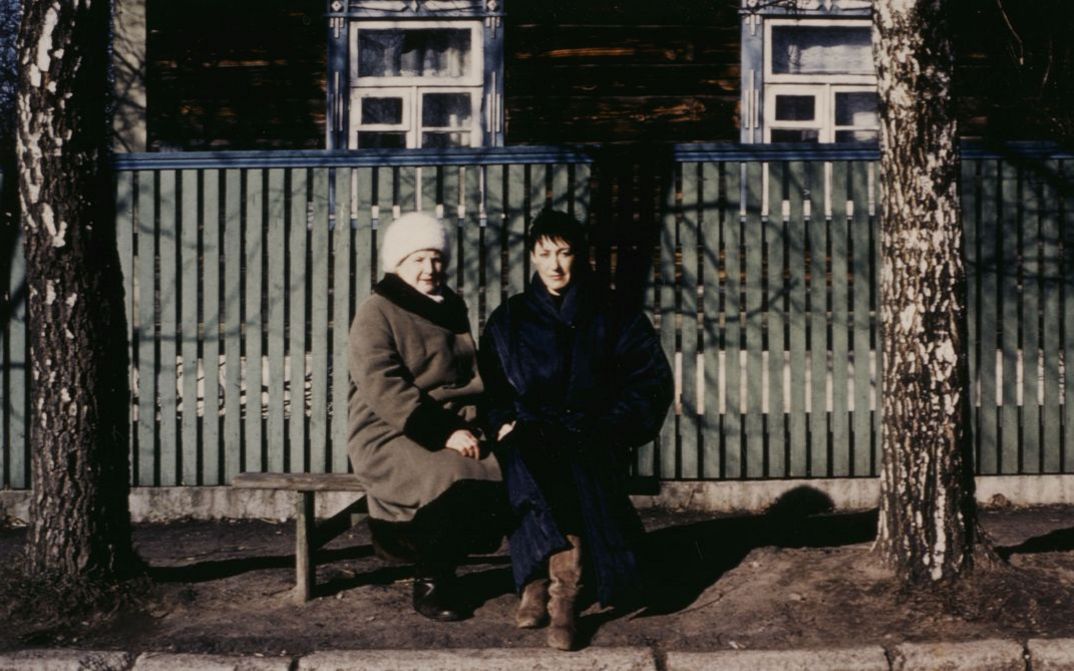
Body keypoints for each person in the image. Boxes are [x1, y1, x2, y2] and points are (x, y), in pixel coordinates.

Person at [479, 209, 673, 650]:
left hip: (592, 432)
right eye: (545, 253)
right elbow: (489, 384)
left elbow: (648, 380)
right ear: (531, 256)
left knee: (570, 460)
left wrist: (611, 425)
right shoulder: (509, 318)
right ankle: (536, 583)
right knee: (530, 456)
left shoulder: (614, 314)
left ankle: (563, 595)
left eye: (565, 253)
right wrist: (500, 421)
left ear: (579, 256)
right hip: (528, 431)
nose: (555, 265)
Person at [348, 211, 505, 622]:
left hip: (452, 423)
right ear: (397, 263)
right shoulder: (377, 310)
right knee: (449, 473)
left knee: (506, 465)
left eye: (435, 258)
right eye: (417, 259)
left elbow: (468, 374)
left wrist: (488, 420)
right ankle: (431, 580)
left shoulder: (450, 305)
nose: (429, 269)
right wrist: (445, 432)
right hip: (391, 428)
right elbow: (382, 384)